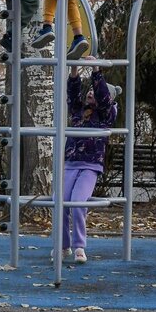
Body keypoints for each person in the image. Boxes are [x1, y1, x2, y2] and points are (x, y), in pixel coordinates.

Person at [61, 54, 120, 264]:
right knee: (61, 203)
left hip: (90, 166)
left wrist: (96, 70)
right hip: (70, 163)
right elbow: (72, 93)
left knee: (77, 203)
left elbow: (104, 98)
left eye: (94, 92)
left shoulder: (106, 113)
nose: (90, 94)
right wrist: (75, 71)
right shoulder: (78, 112)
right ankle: (63, 246)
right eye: (90, 91)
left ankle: (79, 246)